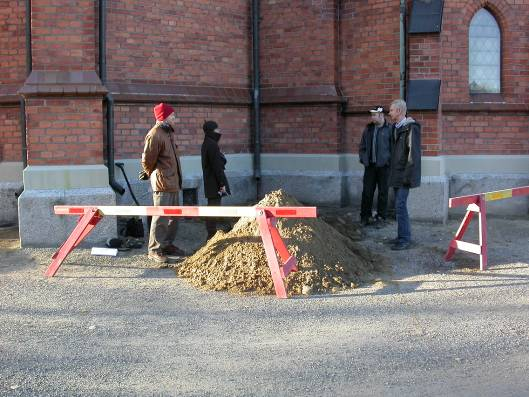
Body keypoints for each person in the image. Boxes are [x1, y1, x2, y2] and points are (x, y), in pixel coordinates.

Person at [140, 103, 186, 263]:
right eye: (172, 116)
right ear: (164, 117)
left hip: (173, 182)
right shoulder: (155, 134)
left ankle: (167, 244)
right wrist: (148, 173)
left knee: (174, 217)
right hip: (162, 184)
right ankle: (154, 249)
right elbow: (147, 159)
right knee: (160, 217)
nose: (175, 119)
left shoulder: (167, 133)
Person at [387, 99, 421, 250]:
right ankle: (401, 236)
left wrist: (408, 177)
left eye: (392, 110)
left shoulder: (411, 128)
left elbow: (413, 155)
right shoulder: (396, 128)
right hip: (396, 174)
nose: (390, 113)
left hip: (404, 176)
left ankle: (405, 239)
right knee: (398, 206)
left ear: (399, 111)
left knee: (400, 206)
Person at [358, 106, 392, 227]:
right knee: (367, 192)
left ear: (382, 115)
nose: (372, 117)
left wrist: (388, 161)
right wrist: (363, 159)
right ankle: (364, 217)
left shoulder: (390, 129)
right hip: (370, 167)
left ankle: (381, 217)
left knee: (383, 193)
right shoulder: (368, 129)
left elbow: (393, 149)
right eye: (371, 115)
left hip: (384, 167)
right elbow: (362, 146)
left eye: (374, 115)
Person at [201, 120, 231, 241]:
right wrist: (222, 184)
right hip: (214, 182)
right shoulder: (212, 144)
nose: (219, 132)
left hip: (210, 181)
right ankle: (211, 234)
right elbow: (216, 167)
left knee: (213, 207)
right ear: (211, 131)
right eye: (217, 130)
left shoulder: (207, 143)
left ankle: (212, 233)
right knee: (213, 207)